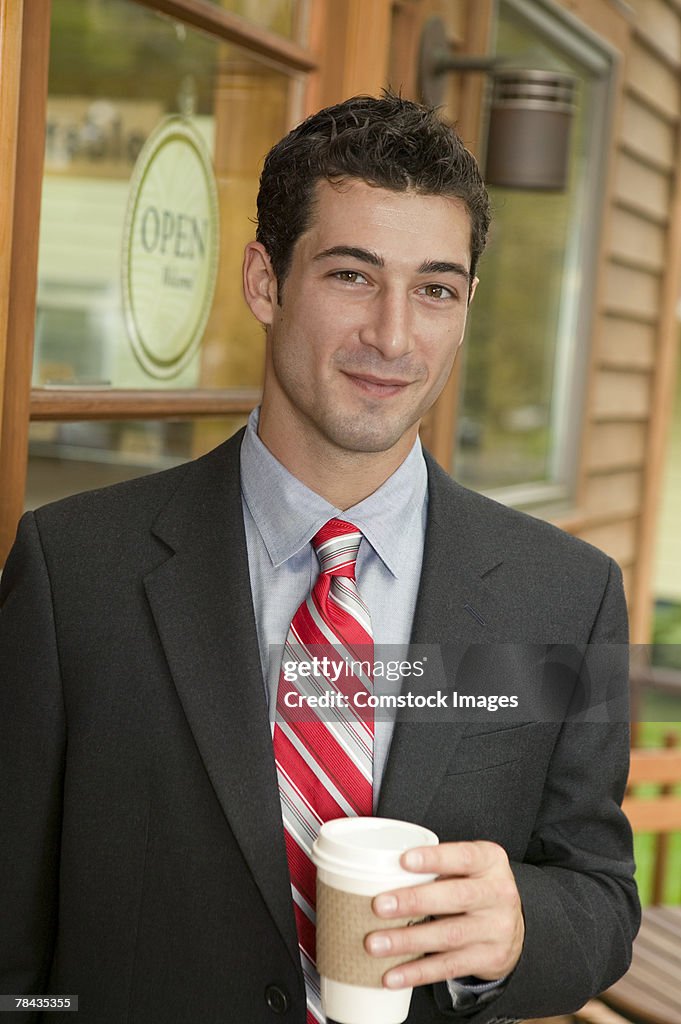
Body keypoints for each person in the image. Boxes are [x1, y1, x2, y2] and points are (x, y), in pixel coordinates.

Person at [0, 93, 638, 1024]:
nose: (392, 335)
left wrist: (517, 929)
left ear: (464, 311)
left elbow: (600, 895)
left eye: (434, 288)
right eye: (350, 274)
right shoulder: (73, 573)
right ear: (266, 281)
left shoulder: (563, 597)